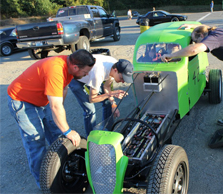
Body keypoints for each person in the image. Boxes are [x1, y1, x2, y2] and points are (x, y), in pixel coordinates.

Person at [7, 49, 95, 189]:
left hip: (42, 99)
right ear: (75, 67)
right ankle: (45, 185)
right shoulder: (55, 70)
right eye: (85, 72)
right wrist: (67, 130)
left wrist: (59, 110)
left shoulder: (70, 66)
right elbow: (55, 106)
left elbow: (63, 90)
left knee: (55, 133)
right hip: (22, 100)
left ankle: (59, 168)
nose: (87, 74)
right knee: (36, 142)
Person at [69, 54, 133, 135]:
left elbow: (107, 86)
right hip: (76, 78)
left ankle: (107, 132)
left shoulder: (114, 66)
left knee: (107, 102)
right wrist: (111, 94)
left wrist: (113, 105)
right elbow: (92, 99)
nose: (123, 82)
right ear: (116, 70)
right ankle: (91, 138)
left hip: (91, 75)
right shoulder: (98, 73)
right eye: (122, 78)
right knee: (90, 110)